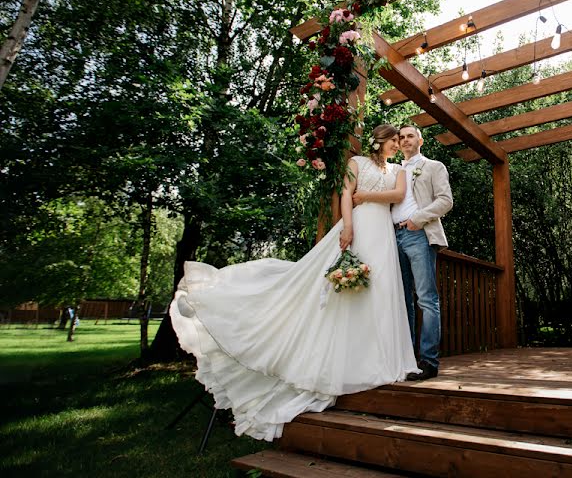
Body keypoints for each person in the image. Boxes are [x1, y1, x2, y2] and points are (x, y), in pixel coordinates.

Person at [169, 124, 419, 441]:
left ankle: (381, 359)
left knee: (382, 293)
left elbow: (397, 195)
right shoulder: (357, 163)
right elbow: (345, 194)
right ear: (381, 140)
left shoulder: (398, 170)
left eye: (401, 141)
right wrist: (347, 228)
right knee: (349, 294)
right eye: (395, 140)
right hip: (359, 228)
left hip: (382, 231)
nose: (399, 145)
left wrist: (366, 195)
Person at [358, 124, 452, 381]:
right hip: (390, 236)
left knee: (426, 299)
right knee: (402, 300)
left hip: (418, 235)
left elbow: (445, 200)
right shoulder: (393, 169)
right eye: (401, 137)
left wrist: (418, 219)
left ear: (420, 140)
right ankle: (406, 358)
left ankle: (429, 361)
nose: (405, 140)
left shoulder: (433, 166)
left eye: (411, 135)